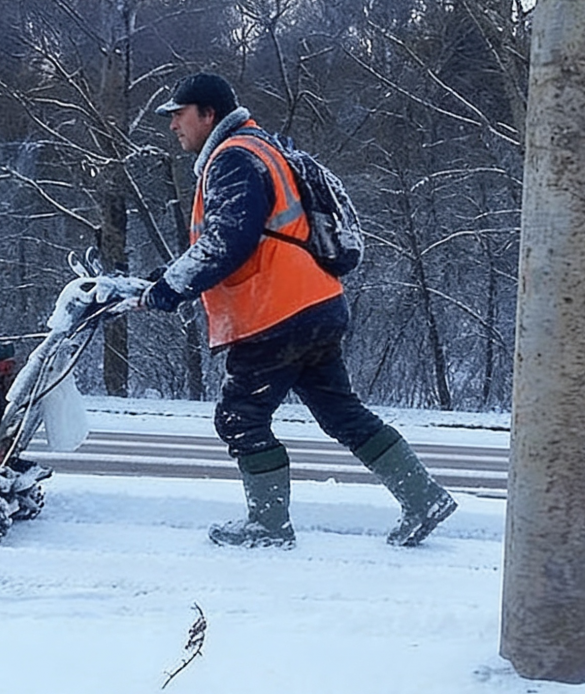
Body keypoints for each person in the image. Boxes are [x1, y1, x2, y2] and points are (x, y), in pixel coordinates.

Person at [143, 73, 456, 549]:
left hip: (276, 314)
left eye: (178, 115)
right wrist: (164, 278)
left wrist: (170, 287)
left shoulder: (233, 159)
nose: (172, 127)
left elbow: (229, 240)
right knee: (341, 414)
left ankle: (268, 526)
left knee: (239, 417)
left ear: (207, 114)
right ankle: (423, 497)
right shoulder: (262, 147)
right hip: (315, 302)